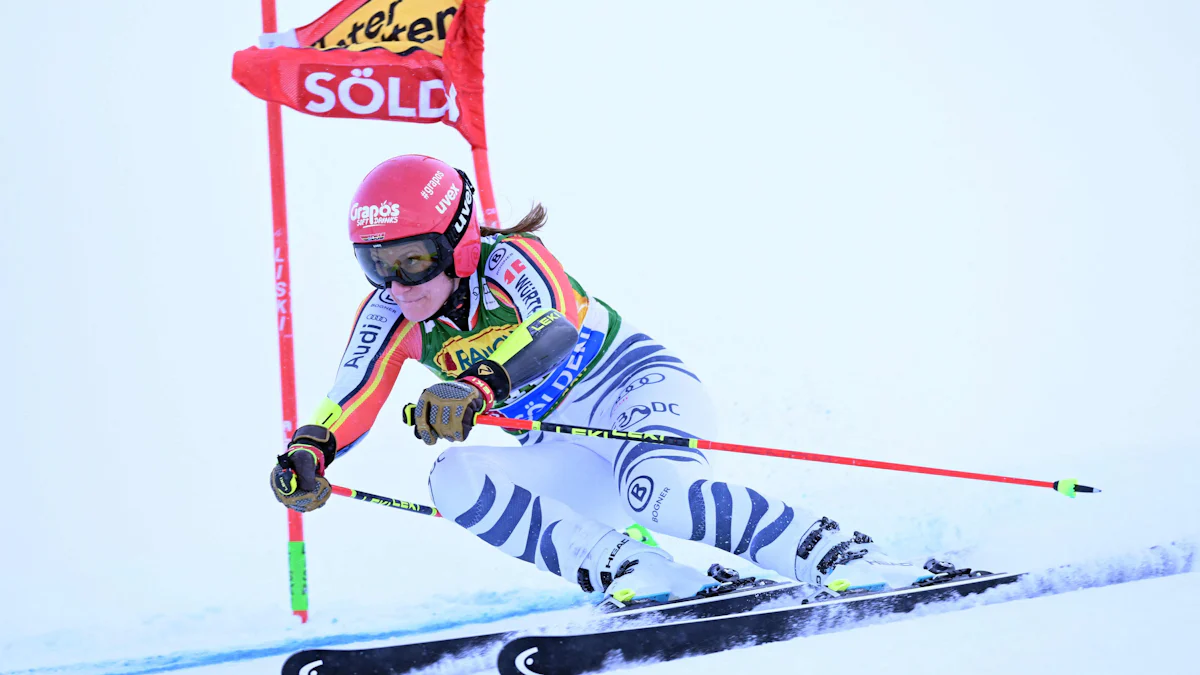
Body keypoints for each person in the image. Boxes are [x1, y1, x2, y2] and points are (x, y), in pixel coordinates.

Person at [270, 154, 944, 604]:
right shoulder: (391, 311)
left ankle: (838, 553)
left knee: (658, 494)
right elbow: (350, 395)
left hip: (634, 390)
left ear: (459, 241)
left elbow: (554, 330)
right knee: (452, 477)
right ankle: (642, 573)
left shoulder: (512, 261)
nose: (397, 282)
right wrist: (309, 453)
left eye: (414, 259)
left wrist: (477, 385)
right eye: (375, 263)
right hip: (564, 449)